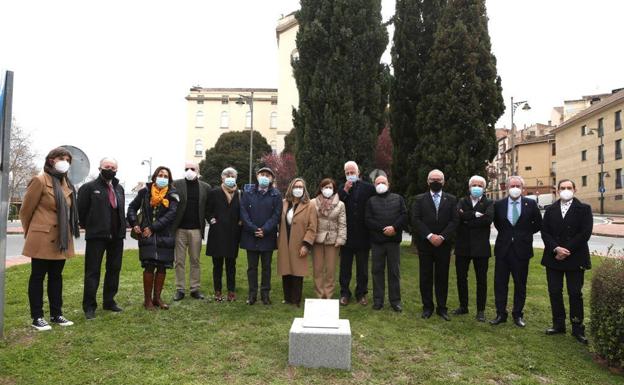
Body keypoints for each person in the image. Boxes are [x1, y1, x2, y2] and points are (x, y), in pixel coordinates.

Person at [20, 147, 79, 330]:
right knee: (37, 276)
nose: (65, 162)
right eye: (61, 158)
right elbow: (25, 211)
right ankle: (37, 317)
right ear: (51, 159)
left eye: (68, 159)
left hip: (61, 238)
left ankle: (56, 314)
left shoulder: (67, 184)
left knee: (56, 276)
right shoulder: (39, 180)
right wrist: (31, 233)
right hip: (42, 237)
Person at [540, 179, 592, 344]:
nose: (566, 190)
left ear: (575, 189)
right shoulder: (550, 210)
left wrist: (566, 250)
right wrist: (556, 249)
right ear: (557, 190)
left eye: (569, 187)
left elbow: (585, 233)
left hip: (575, 257)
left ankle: (577, 327)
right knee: (555, 291)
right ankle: (558, 324)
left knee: (575, 293)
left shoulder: (584, 209)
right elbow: (545, 232)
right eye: (562, 188)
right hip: (553, 257)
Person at [77, 157, 126, 320]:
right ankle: (89, 306)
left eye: (113, 167)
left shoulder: (119, 189)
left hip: (117, 237)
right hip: (96, 237)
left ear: (116, 169)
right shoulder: (88, 188)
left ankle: (109, 301)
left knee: (114, 269)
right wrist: (90, 226)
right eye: (107, 166)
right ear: (100, 168)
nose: (110, 169)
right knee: (93, 271)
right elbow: (81, 212)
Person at [490, 175, 541, 327]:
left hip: (522, 250)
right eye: (512, 186)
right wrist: (509, 236)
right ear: (506, 187)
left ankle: (517, 314)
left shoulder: (530, 204)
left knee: (520, 284)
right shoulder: (498, 204)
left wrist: (522, 235)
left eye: (518, 186)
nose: (515, 188)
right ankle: (501, 314)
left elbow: (537, 224)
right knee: (500, 283)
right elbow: (498, 224)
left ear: (523, 188)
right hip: (503, 250)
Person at [127, 166, 179, 310]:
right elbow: (131, 208)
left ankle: (157, 298)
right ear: (154, 177)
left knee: (162, 267)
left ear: (169, 179)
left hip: (165, 235)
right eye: (160, 175)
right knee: (149, 266)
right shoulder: (144, 192)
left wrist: (153, 228)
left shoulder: (173, 193)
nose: (163, 178)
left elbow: (171, 214)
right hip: (146, 235)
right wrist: (135, 223)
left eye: (166, 176)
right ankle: (147, 300)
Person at [412, 169, 459, 321]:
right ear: (427, 181)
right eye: (433, 179)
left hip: (443, 245)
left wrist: (443, 236)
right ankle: (427, 307)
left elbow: (454, 221)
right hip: (425, 244)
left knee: (442, 276)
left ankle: (442, 308)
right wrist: (430, 236)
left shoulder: (451, 199)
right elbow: (416, 220)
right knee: (425, 276)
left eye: (439, 179)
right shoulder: (419, 199)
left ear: (444, 182)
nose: (436, 182)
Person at [453, 175, 494, 322]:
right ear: (469, 187)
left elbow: (488, 219)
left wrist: (467, 219)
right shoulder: (461, 201)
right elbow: (457, 218)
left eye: (480, 185)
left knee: (481, 280)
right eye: (474, 184)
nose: (476, 187)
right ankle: (463, 306)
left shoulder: (489, 202)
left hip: (481, 248)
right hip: (462, 247)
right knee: (461, 278)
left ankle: (480, 310)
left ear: (484, 187)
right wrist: (475, 215)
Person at [240, 167, 282, 305]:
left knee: (266, 267)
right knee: (252, 268)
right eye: (262, 174)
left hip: (267, 237)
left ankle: (265, 294)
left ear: (272, 179)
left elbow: (276, 215)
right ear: (257, 176)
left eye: (268, 175)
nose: (265, 177)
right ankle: (252, 295)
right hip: (250, 236)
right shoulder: (247, 193)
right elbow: (244, 213)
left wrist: (264, 229)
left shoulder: (276, 195)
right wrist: (253, 229)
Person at [365, 175, 407, 312]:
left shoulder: (398, 198)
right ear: (374, 185)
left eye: (383, 182)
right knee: (377, 271)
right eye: (378, 183)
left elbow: (404, 215)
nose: (380, 184)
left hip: (393, 242)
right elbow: (368, 220)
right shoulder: (371, 201)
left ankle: (395, 301)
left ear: (388, 184)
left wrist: (394, 228)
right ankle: (378, 300)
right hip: (377, 242)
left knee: (394, 272)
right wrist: (383, 229)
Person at [338, 161, 376, 306]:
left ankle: (361, 294)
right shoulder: (342, 188)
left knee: (362, 269)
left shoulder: (368, 188)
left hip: (363, 235)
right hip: (346, 235)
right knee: (345, 268)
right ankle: (344, 293)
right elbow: (337, 204)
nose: (350, 175)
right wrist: (345, 190)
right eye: (347, 173)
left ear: (358, 172)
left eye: (352, 172)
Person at [171, 162, 211, 301]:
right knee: (179, 261)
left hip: (196, 230)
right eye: (186, 169)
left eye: (192, 169)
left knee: (195, 260)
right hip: (180, 229)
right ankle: (180, 289)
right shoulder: (176, 184)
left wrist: (212, 219)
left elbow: (207, 208)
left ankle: (195, 289)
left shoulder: (205, 187)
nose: (189, 171)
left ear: (198, 171)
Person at [277, 178, 317, 307]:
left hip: (299, 242)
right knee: (286, 269)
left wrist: (306, 244)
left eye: (301, 187)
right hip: (285, 241)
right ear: (291, 188)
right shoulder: (284, 203)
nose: (298, 189)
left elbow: (312, 227)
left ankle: (296, 300)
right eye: (296, 186)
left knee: (297, 271)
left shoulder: (309, 205)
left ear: (304, 189)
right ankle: (287, 297)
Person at [206, 167, 242, 302]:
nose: (230, 177)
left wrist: (240, 222)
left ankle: (231, 291)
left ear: (236, 178)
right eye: (227, 175)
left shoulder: (239, 194)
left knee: (231, 265)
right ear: (222, 178)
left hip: (233, 235)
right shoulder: (214, 192)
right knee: (217, 265)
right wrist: (212, 220)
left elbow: (241, 211)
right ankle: (218, 291)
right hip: (217, 234)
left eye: (232, 175)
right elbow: (207, 210)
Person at [311, 178, 346, 299]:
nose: (327, 190)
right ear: (321, 188)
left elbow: (342, 224)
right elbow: (310, 222)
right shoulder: (313, 203)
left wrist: (340, 239)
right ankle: (320, 295)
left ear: (334, 189)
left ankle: (328, 295)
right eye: (325, 187)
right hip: (317, 240)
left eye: (330, 187)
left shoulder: (341, 205)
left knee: (330, 270)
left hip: (333, 241)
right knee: (318, 269)